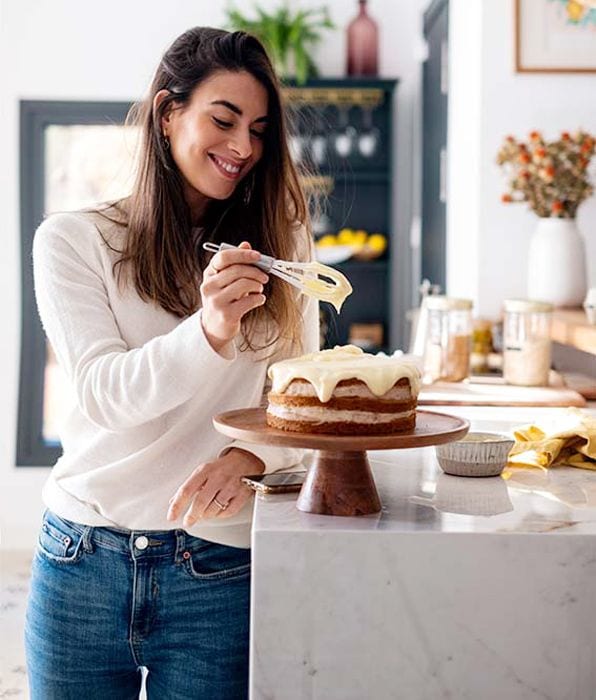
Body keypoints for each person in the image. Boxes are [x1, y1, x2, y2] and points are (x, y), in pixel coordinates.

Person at [24, 26, 318, 699]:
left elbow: (299, 400)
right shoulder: (73, 241)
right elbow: (103, 393)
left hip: (215, 566)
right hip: (80, 562)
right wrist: (210, 329)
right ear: (166, 113)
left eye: (260, 128)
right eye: (224, 119)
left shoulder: (281, 246)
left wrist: (250, 458)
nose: (243, 146)